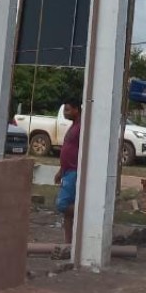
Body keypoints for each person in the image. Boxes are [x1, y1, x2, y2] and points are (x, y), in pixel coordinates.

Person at [54, 100, 81, 247]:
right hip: (66, 171)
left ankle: (86, 211)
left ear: (77, 110)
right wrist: (60, 171)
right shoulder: (73, 126)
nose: (65, 113)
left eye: (68, 110)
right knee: (67, 213)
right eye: (64, 110)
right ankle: (68, 244)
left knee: (62, 205)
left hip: (73, 171)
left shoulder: (81, 126)